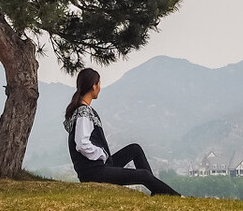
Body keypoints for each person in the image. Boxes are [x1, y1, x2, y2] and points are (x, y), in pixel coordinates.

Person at [64, 67, 180, 196]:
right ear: (94, 86)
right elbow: (81, 144)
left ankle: (156, 191)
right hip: (94, 172)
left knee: (135, 149)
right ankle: (175, 197)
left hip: (100, 167)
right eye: (99, 83)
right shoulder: (83, 112)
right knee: (143, 174)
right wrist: (101, 154)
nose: (100, 87)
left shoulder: (82, 110)